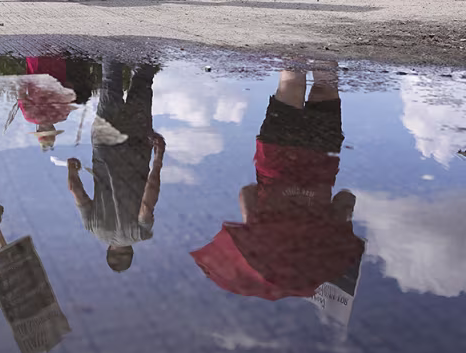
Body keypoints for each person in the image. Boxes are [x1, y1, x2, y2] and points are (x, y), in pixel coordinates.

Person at [191, 64, 364, 300]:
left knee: (325, 88)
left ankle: (326, 46)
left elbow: (346, 198)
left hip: (321, 160)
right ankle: (298, 40)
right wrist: (254, 219)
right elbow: (248, 192)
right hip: (276, 156)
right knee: (291, 84)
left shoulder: (325, 248)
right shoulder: (260, 242)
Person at [66, 60, 165, 272]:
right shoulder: (95, 229)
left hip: (137, 147)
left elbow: (147, 204)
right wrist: (72, 170)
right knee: (110, 82)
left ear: (129, 251)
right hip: (105, 145)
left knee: (143, 80)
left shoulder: (140, 234)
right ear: (110, 250)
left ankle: (148, 39)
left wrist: (158, 159)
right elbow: (76, 192)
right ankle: (111, 36)